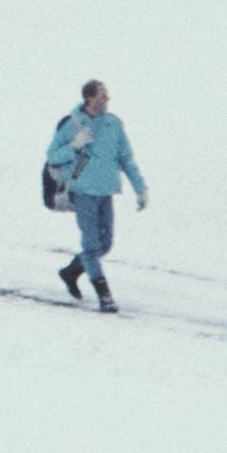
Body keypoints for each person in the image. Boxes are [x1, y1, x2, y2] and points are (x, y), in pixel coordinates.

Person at [42, 80, 148, 305]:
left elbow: (126, 158)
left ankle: (71, 271)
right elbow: (52, 156)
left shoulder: (113, 123)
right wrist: (74, 147)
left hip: (106, 190)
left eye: (107, 95)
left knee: (105, 244)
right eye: (102, 96)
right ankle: (105, 296)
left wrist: (140, 188)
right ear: (89, 98)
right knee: (91, 245)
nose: (106, 99)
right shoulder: (71, 125)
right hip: (82, 192)